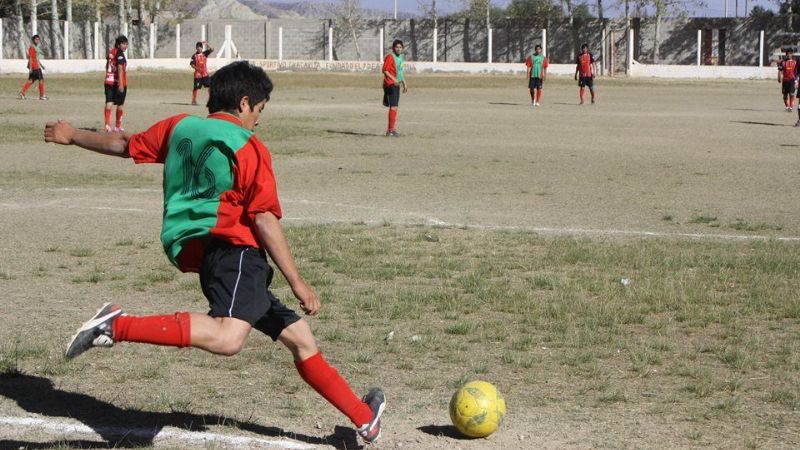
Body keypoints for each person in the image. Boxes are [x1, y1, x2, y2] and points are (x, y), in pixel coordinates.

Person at [44, 60, 385, 444]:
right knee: (227, 339)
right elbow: (264, 220)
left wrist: (73, 135)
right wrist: (298, 282)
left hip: (209, 256)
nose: (258, 119)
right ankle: (115, 324)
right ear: (244, 103)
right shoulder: (249, 146)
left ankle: (363, 416)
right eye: (259, 110)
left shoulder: (180, 127)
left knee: (301, 340)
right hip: (238, 253)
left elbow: (124, 144)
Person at [382, 39, 408, 137]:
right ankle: (390, 130)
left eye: (400, 47)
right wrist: (394, 79)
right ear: (393, 48)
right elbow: (385, 70)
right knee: (393, 106)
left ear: (403, 48)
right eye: (396, 47)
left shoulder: (400, 57)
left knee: (395, 107)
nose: (398, 49)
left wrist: (404, 82)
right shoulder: (390, 57)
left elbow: (400, 71)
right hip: (390, 84)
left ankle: (392, 129)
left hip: (396, 84)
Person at [104, 35, 129, 132]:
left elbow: (107, 64)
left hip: (108, 81)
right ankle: (117, 126)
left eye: (127, 44)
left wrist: (107, 74)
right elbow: (119, 68)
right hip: (118, 82)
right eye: (123, 44)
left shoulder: (111, 52)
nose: (125, 46)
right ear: (118, 45)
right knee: (120, 104)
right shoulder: (119, 54)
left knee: (109, 102)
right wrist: (121, 83)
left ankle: (107, 125)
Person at [19, 34, 47, 100]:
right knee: (41, 80)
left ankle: (22, 93)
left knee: (31, 80)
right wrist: (31, 68)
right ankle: (42, 95)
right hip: (35, 67)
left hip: (37, 66)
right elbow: (30, 58)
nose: (37, 40)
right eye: (36, 39)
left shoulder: (36, 47)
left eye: (38, 39)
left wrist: (42, 65)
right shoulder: (32, 47)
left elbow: (36, 58)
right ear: (33, 40)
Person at [190, 41, 214, 105]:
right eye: (198, 48)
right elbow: (191, 64)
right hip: (198, 75)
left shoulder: (205, 53)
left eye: (200, 48)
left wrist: (207, 44)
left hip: (205, 74)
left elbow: (212, 49)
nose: (199, 49)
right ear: (196, 48)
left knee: (210, 86)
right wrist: (196, 68)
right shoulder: (194, 56)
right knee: (196, 88)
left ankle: (211, 100)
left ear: (202, 48)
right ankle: (194, 101)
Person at [778, 47, 798, 113]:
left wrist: (796, 80)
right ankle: (787, 106)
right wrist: (779, 78)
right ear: (786, 54)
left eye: (790, 54)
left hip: (792, 80)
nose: (789, 55)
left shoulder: (795, 62)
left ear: (792, 54)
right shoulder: (783, 62)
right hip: (785, 80)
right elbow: (780, 71)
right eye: (787, 54)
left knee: (792, 94)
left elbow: (797, 72)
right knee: (785, 95)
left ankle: (791, 107)